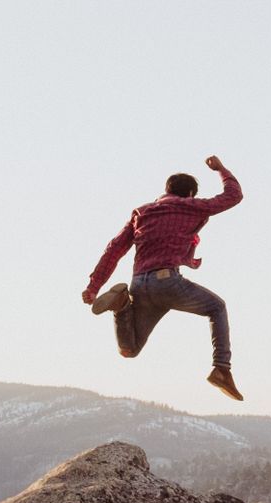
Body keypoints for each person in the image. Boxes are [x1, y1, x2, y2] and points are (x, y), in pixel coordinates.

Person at [82, 155, 245, 401]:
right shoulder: (191, 206)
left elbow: (114, 249)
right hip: (168, 282)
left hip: (139, 284)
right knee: (217, 307)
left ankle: (122, 306)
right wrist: (221, 169)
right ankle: (222, 368)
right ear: (189, 193)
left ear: (166, 190)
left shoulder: (142, 213)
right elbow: (233, 196)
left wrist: (93, 286)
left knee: (130, 350)